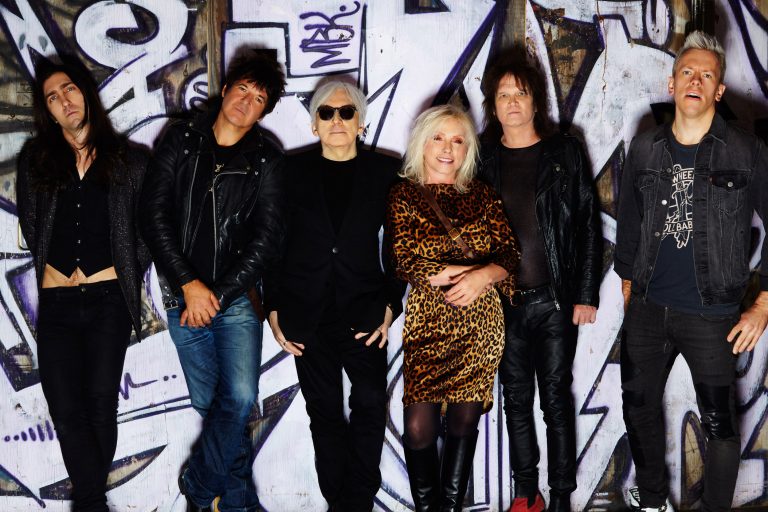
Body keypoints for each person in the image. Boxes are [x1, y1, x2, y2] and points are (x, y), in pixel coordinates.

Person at [615, 30, 768, 512]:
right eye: (687, 71)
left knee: (719, 423)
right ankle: (652, 500)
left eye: (706, 75)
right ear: (672, 82)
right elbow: (630, 223)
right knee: (637, 409)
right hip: (647, 308)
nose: (695, 80)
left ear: (719, 91)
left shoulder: (746, 150)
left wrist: (764, 305)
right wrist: (629, 284)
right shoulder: (645, 147)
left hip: (712, 314)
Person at [139, 51, 286, 512]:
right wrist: (188, 285)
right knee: (212, 404)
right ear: (225, 90)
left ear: (264, 111)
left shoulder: (266, 160)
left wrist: (216, 295)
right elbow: (152, 215)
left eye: (259, 98)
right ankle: (237, 502)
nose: (247, 101)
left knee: (239, 398)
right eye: (243, 89)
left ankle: (199, 489)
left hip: (235, 300)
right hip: (181, 298)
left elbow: (267, 240)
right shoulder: (181, 140)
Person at [263, 79, 405, 512]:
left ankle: (354, 504)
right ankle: (341, 502)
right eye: (326, 113)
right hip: (305, 315)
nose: (337, 120)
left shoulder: (386, 172)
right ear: (314, 124)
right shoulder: (290, 172)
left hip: (364, 310)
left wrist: (390, 305)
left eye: (347, 112)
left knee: (369, 404)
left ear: (360, 123)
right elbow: (273, 243)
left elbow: (398, 246)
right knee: (323, 412)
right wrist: (272, 308)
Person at [16, 57, 150, 511]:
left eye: (69, 89)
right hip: (56, 302)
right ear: (48, 111)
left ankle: (88, 504)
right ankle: (93, 504)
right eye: (52, 97)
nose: (64, 100)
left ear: (85, 93)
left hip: (108, 301)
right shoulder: (36, 162)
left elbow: (146, 232)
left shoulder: (130, 161)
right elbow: (33, 226)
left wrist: (121, 269)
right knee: (65, 409)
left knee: (99, 405)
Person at [478, 52, 602, 512]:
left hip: (554, 302)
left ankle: (562, 497)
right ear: (493, 105)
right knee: (514, 399)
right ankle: (526, 495)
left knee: (554, 398)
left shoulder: (563, 151)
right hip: (502, 304)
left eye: (521, 93)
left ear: (535, 102)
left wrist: (585, 294)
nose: (512, 102)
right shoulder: (483, 158)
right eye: (503, 95)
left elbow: (588, 224)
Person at [387, 104, 519, 511]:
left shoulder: (481, 195)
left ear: (467, 150)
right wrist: (455, 272)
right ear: (422, 143)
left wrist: (482, 277)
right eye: (439, 138)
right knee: (417, 426)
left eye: (458, 141)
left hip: (480, 322)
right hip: (428, 319)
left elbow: (509, 253)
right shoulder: (405, 194)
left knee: (464, 420)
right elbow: (402, 259)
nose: (448, 149)